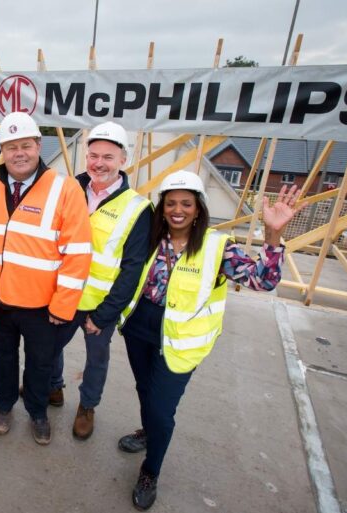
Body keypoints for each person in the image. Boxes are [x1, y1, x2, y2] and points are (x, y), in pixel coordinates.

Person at [116, 170, 304, 510]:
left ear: (198, 209)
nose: (178, 210)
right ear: (162, 208)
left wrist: (273, 236)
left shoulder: (218, 247)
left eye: (186, 203)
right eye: (170, 203)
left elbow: (263, 281)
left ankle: (150, 470)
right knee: (145, 391)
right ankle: (148, 433)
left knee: (161, 409)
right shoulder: (149, 238)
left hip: (182, 340)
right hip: (139, 328)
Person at [0, 111, 92, 445]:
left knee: (40, 364)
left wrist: (63, 305)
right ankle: (3, 406)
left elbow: (79, 252)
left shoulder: (65, 189)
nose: (18, 153)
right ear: (2, 150)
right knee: (3, 359)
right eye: (10, 147)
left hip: (43, 306)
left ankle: (38, 412)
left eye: (25, 145)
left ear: (38, 145)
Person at [51, 122, 153, 440]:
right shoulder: (67, 190)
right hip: (63, 294)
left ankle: (87, 406)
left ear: (123, 159)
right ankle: (54, 388)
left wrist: (105, 314)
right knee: (50, 347)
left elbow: (133, 269)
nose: (99, 163)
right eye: (93, 155)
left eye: (108, 157)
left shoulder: (137, 208)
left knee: (97, 358)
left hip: (100, 304)